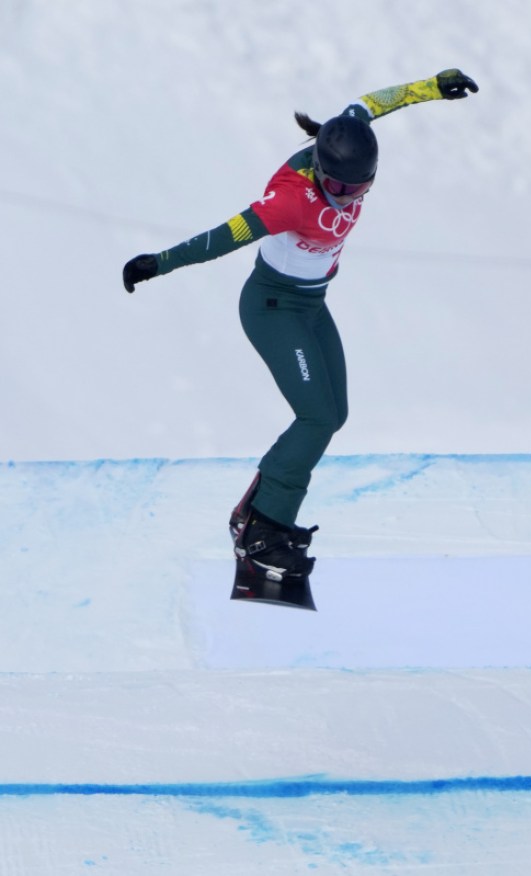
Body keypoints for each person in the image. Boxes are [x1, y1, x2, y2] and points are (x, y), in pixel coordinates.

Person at [123, 69, 479, 582]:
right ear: (318, 167)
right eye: (334, 185)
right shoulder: (292, 198)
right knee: (314, 418)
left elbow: (374, 101)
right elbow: (223, 238)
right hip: (273, 307)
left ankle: (260, 510)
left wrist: (434, 86)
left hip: (312, 304)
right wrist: (157, 263)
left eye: (357, 188)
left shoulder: (346, 144)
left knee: (333, 415)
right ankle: (263, 528)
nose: (344, 197)